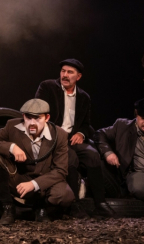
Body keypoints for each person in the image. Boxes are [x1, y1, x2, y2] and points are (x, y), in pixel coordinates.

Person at [35, 59, 115, 218]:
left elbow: (86, 124)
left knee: (92, 155)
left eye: (70, 72)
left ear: (78, 77)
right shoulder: (48, 87)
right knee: (71, 157)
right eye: (63, 71)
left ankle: (100, 203)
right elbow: (37, 113)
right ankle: (73, 204)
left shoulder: (84, 97)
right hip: (52, 137)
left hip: (72, 139)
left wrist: (81, 134)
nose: (65, 75)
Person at [0, 98, 75, 225]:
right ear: (23, 116)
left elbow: (60, 171)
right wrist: (11, 147)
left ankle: (41, 208)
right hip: (20, 178)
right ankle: (8, 208)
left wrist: (35, 184)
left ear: (47, 118)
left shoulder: (59, 134)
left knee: (65, 195)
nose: (32, 123)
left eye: (37, 118)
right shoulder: (12, 126)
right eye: (28, 118)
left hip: (46, 181)